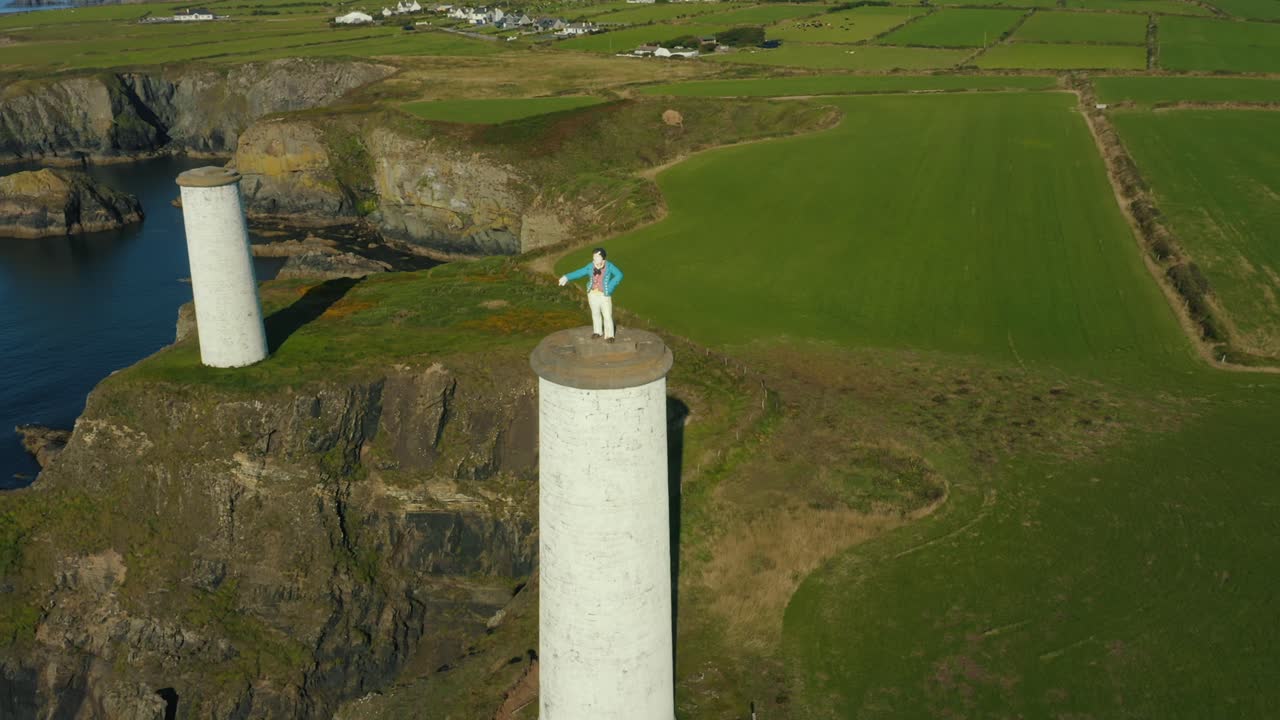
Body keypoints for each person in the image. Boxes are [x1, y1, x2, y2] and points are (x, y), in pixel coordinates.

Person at [559, 248, 623, 342]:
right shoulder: (590, 266)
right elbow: (580, 272)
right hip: (592, 294)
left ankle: (610, 335)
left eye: (597, 257)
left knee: (607, 315)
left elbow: (619, 275)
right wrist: (566, 277)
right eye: (594, 257)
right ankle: (597, 331)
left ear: (603, 259)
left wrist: (610, 287)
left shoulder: (609, 266)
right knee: (595, 313)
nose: (595, 259)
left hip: (604, 295)